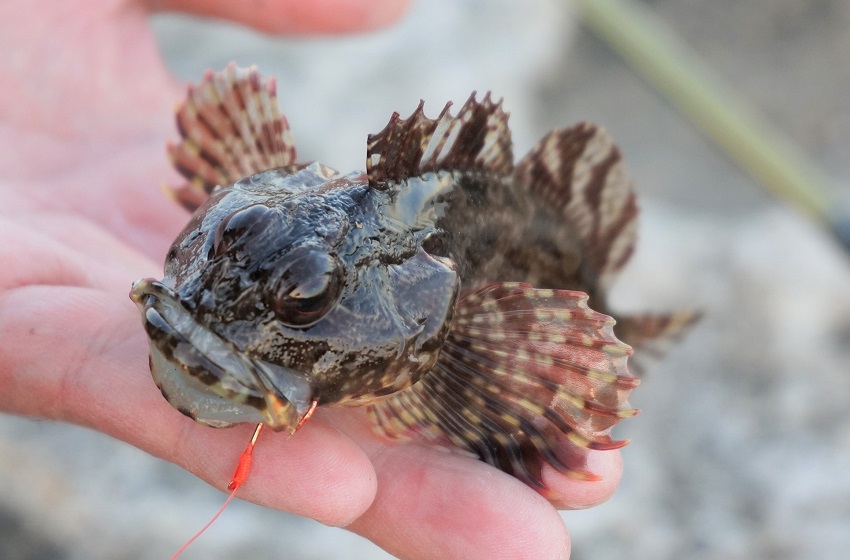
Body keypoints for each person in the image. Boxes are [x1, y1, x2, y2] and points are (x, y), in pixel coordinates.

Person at [0, 1, 623, 558]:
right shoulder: (257, 205)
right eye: (232, 232)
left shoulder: (456, 324)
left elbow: (571, 365)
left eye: (304, 299)